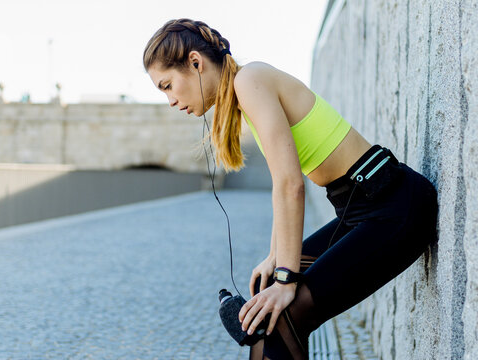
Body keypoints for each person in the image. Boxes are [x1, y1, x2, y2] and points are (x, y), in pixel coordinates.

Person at [143, 18, 439, 360]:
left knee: (284, 311)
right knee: (265, 292)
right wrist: (275, 260)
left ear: (195, 62)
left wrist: (286, 279)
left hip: (394, 206)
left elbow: (290, 185)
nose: (170, 100)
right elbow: (281, 184)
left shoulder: (249, 80)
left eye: (167, 85)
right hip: (361, 209)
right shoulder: (245, 92)